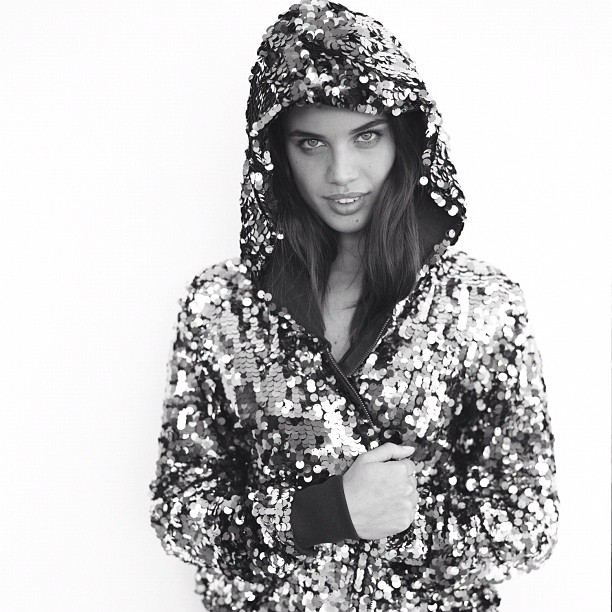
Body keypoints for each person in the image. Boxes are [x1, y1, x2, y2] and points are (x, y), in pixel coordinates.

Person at [149, 1, 559, 610]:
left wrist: (401, 523)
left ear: (404, 137)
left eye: (366, 136)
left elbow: (529, 523)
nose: (341, 172)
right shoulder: (220, 304)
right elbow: (177, 510)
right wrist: (324, 513)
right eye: (311, 143)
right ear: (275, 152)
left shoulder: (483, 303)